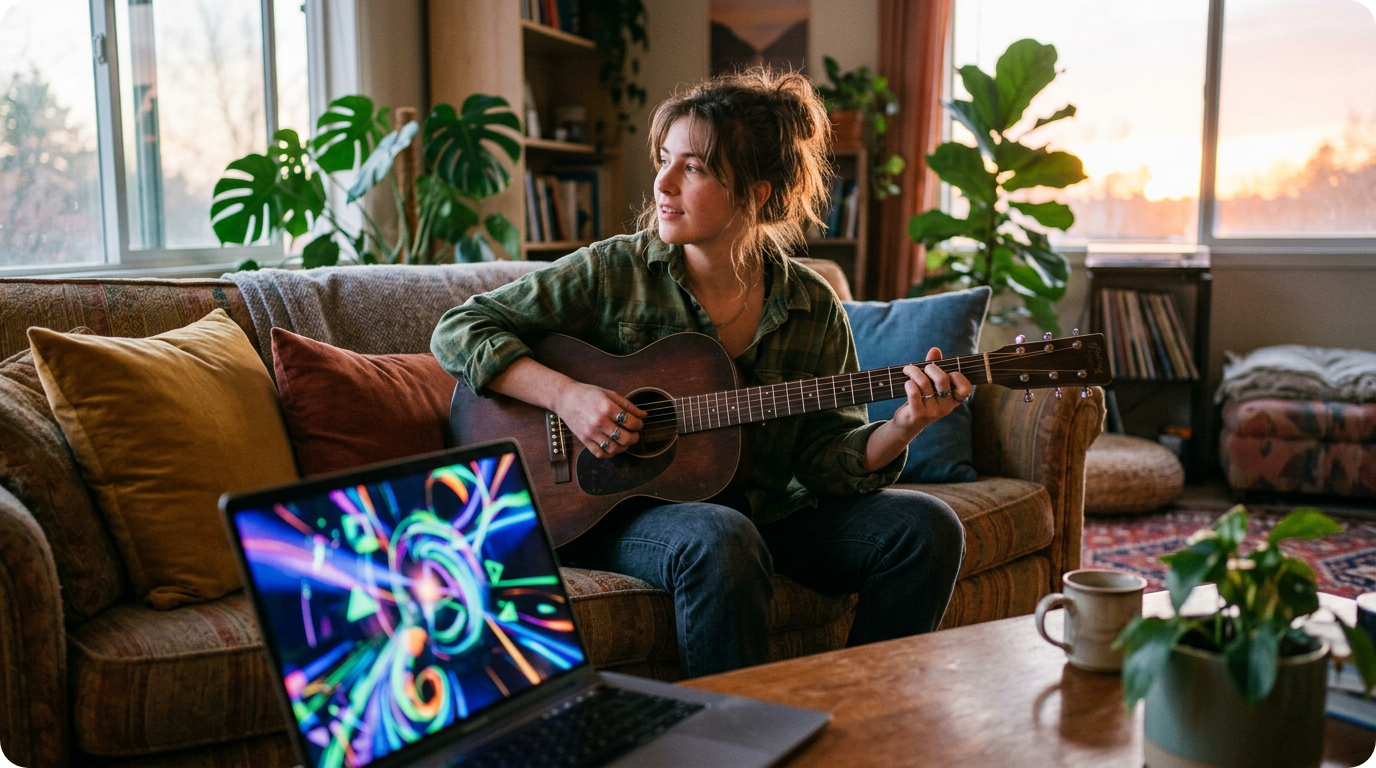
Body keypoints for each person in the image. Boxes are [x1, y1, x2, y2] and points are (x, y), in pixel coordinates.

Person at [431, 68, 968, 678]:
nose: (661, 183)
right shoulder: (616, 270)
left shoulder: (812, 306)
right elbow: (459, 329)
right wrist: (569, 397)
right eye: (665, 159)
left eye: (693, 168)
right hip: (617, 512)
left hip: (771, 514)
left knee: (926, 526)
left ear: (757, 193)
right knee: (722, 534)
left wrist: (903, 426)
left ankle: (859, 710)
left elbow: (824, 458)